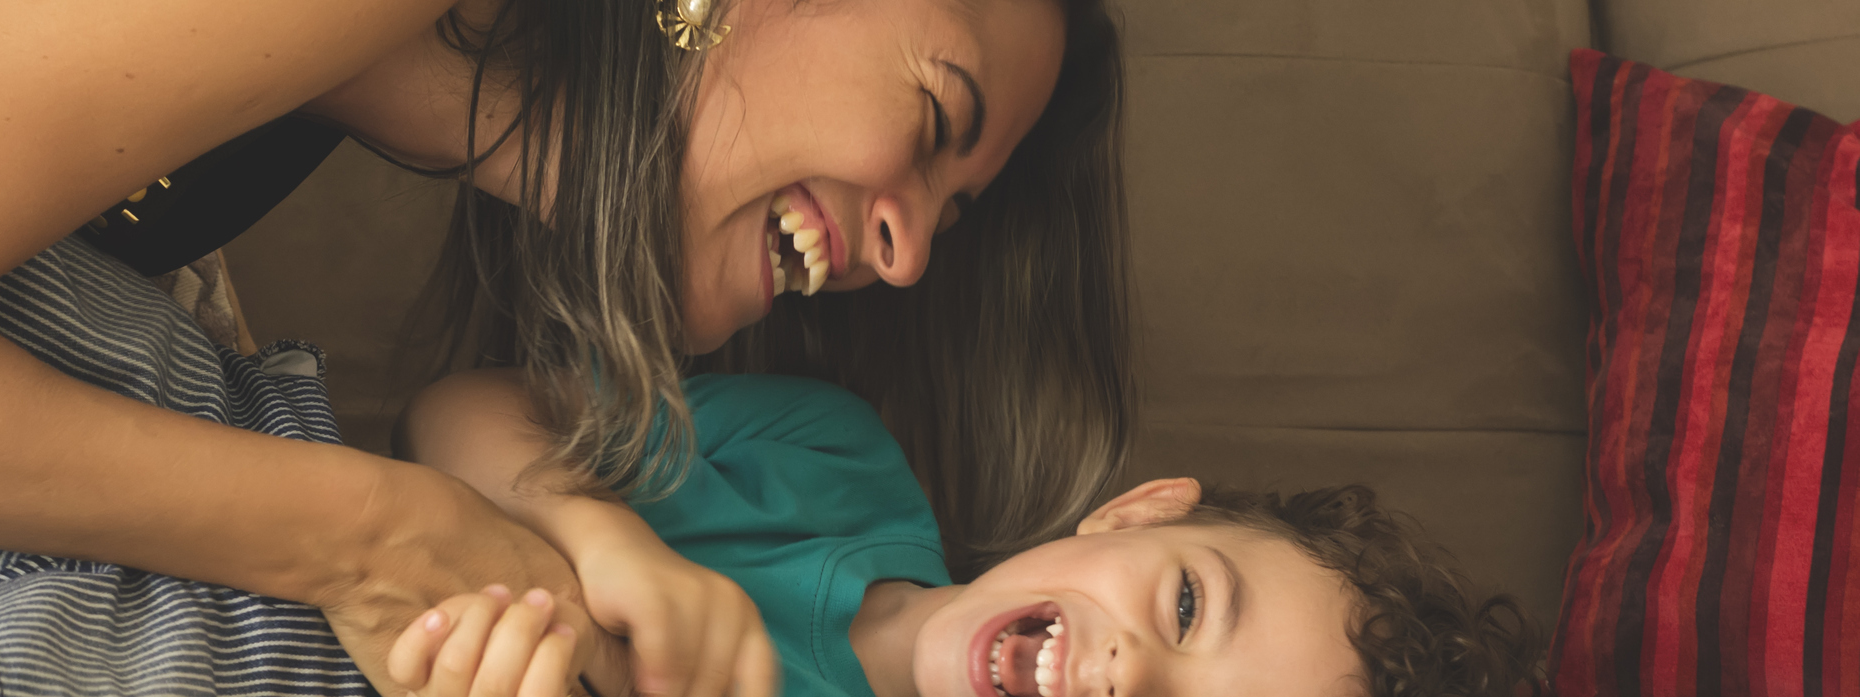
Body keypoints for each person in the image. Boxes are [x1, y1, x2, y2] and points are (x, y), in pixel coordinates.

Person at [0, 0, 1129, 693]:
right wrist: (371, 537)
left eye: (946, 218)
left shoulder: (446, 96)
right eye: (933, 112)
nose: (904, 256)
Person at [385, 372, 1548, 697]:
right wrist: (608, 543)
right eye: (1187, 606)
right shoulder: (830, 458)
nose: (1128, 675)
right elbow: (458, 408)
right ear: (1138, 511)